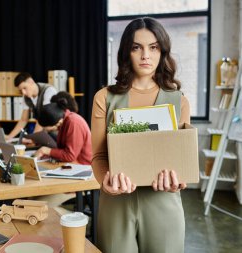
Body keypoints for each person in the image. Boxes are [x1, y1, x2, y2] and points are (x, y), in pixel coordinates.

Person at [91, 17, 190, 253]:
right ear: (127, 52)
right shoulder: (104, 98)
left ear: (162, 51)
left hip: (163, 203)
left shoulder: (180, 100)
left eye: (153, 47)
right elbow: (98, 156)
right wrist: (106, 184)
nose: (146, 55)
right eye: (137, 47)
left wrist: (179, 181)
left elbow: (182, 159)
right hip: (116, 203)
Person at [33, 93, 91, 165]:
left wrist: (46, 150)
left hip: (84, 166)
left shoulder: (74, 122)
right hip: (72, 164)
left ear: (57, 123)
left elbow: (70, 156)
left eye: (46, 128)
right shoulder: (64, 121)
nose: (45, 130)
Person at [7, 72, 57, 138]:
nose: (23, 93)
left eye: (24, 88)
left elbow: (44, 117)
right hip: (45, 132)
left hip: (57, 132)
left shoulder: (48, 91)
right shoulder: (26, 97)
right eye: (21, 90)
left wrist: (33, 138)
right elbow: (23, 120)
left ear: (31, 82)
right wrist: (9, 137)